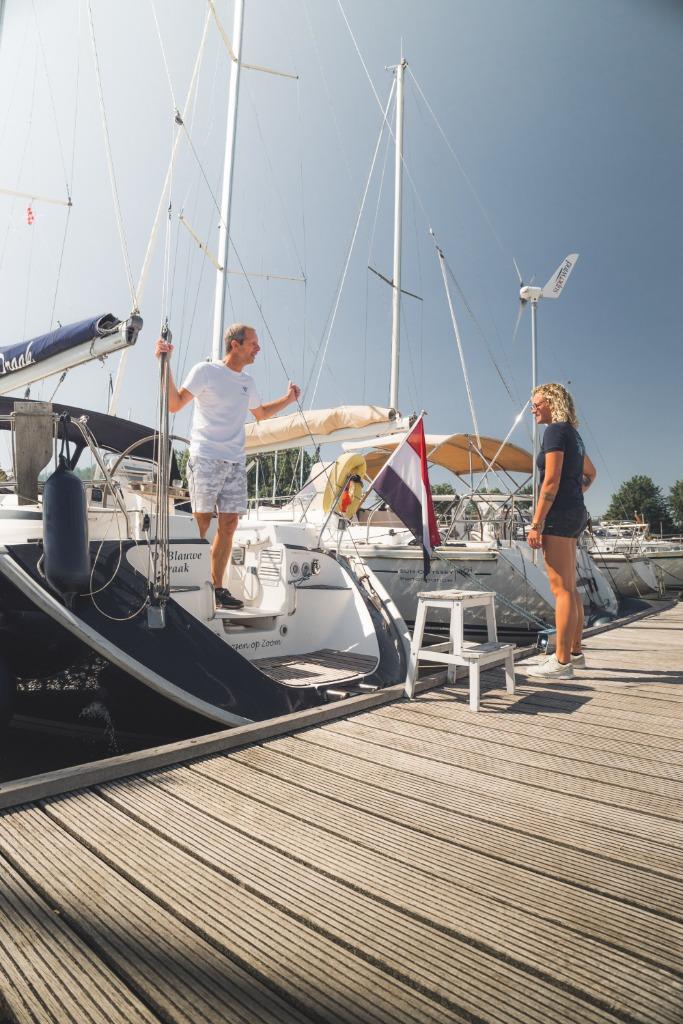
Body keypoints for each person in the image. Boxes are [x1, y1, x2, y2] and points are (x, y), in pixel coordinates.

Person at [155, 323, 300, 609]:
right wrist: (164, 364)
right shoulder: (206, 371)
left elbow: (261, 414)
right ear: (235, 344)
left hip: (235, 462)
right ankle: (186, 587)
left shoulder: (248, 382)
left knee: (230, 524)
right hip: (205, 457)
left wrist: (289, 399)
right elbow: (174, 404)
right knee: (201, 522)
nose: (258, 348)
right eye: (253, 343)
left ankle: (217, 589)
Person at [526, 382, 596, 680]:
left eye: (537, 403)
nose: (533, 408)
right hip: (575, 511)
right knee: (570, 586)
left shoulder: (554, 431)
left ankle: (562, 662)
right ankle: (576, 653)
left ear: (552, 403)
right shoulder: (574, 435)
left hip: (558, 515)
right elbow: (590, 474)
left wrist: (536, 522)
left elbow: (550, 480)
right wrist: (576, 491)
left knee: (561, 589)